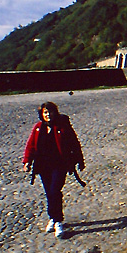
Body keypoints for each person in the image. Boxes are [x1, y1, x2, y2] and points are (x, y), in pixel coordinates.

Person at [22, 101, 85, 238]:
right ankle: (53, 218)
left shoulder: (63, 126)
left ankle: (58, 221)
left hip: (59, 165)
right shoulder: (38, 128)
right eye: (45, 112)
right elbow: (30, 146)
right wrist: (27, 162)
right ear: (41, 115)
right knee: (49, 193)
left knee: (54, 191)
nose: (48, 115)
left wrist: (80, 160)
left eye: (50, 112)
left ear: (55, 112)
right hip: (43, 166)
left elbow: (74, 143)